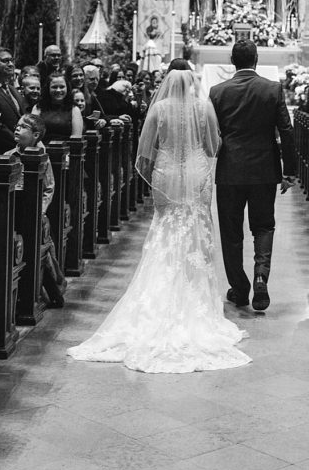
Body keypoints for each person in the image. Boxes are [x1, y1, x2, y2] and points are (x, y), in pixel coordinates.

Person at [67, 59, 250, 372]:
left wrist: (159, 167)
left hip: (165, 174)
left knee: (165, 229)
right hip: (195, 173)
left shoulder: (159, 108)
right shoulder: (203, 107)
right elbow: (212, 146)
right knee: (196, 230)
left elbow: (146, 151)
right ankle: (198, 303)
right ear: (192, 81)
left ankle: (158, 293)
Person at [210, 40, 297, 312]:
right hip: (263, 170)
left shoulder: (217, 91)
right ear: (257, 59)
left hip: (230, 171)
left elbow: (211, 134)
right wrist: (290, 172)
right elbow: (287, 131)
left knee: (231, 232)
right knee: (263, 225)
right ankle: (261, 274)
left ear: (232, 60)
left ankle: (240, 287)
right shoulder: (272, 89)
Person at [5, 114, 63, 307]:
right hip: (15, 211)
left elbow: (49, 188)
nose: (16, 129)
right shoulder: (8, 155)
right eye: (17, 125)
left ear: (36, 135)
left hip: (35, 213)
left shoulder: (41, 157)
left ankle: (54, 290)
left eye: (23, 127)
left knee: (42, 252)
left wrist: (40, 211)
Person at [32, 73, 83, 143]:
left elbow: (76, 139)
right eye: (54, 87)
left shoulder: (75, 109)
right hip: (41, 151)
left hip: (67, 151)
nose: (58, 90)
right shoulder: (38, 108)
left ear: (67, 88)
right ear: (48, 88)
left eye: (62, 87)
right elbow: (32, 135)